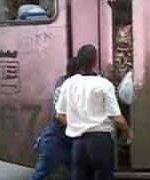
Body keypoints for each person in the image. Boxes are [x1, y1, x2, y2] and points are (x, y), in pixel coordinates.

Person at [55, 44, 133, 180]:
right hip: (100, 141)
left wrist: (77, 125)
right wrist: (128, 132)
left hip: (78, 143)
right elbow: (117, 118)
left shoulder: (69, 84)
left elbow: (60, 115)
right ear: (95, 62)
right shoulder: (104, 85)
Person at [30, 57, 79, 180]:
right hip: (57, 138)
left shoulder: (64, 82)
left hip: (67, 138)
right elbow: (60, 115)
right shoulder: (64, 86)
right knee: (41, 174)